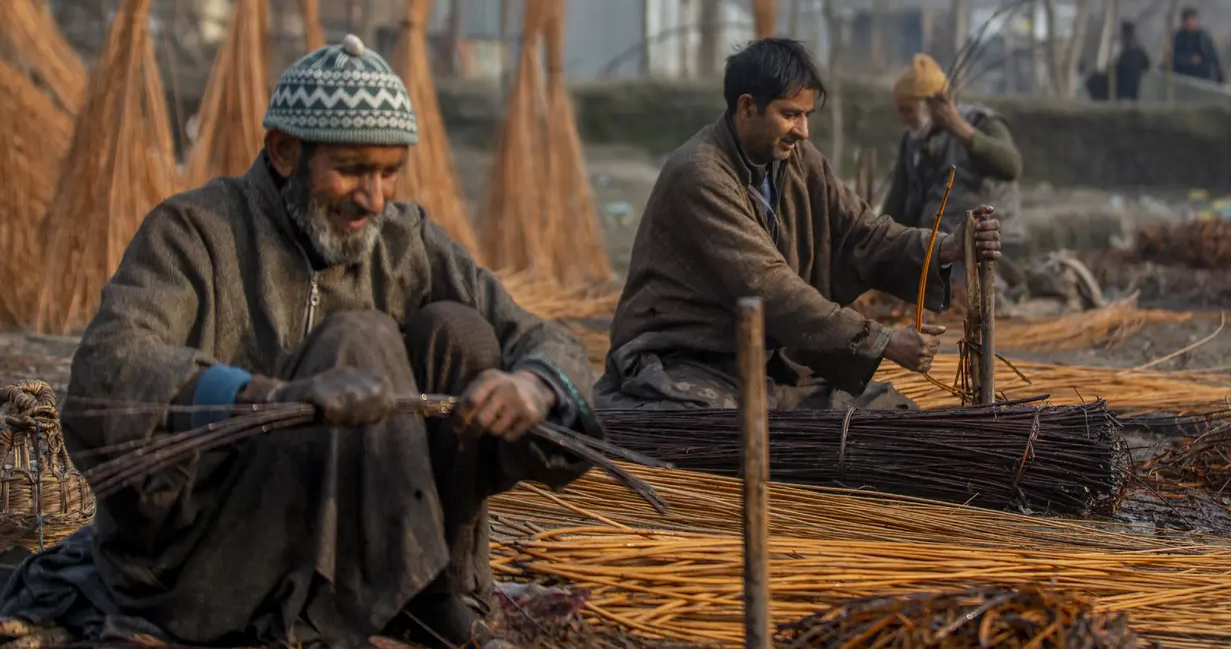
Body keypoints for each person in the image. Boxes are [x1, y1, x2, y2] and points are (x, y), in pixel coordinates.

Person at [0, 36, 601, 648]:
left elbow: (539, 334)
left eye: (390, 173)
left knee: (462, 334)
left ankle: (432, 594)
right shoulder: (194, 232)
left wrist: (533, 383)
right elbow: (112, 364)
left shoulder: (404, 241)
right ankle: (335, 606)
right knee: (360, 338)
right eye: (352, 170)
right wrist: (268, 397)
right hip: (218, 548)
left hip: (369, 540)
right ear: (286, 152)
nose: (374, 198)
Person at [595, 38, 1002, 413]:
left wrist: (945, 246)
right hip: (689, 357)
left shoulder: (799, 160)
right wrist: (882, 341)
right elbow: (768, 286)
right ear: (747, 107)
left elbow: (862, 234)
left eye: (806, 116)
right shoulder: (701, 175)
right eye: (790, 115)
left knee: (890, 419)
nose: (803, 131)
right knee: (722, 433)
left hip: (773, 360)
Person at [881, 53, 1026, 291]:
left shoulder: (983, 124)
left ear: (933, 106)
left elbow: (1011, 167)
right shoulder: (913, 141)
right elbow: (896, 205)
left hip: (990, 249)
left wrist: (959, 128)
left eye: (908, 111)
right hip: (938, 249)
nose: (903, 120)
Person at [1171, 7, 1224, 83]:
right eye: (1187, 20)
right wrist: (1189, 59)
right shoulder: (1179, 37)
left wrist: (1220, 78)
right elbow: (1174, 57)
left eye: (1192, 20)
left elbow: (1213, 58)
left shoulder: (1203, 37)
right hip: (1181, 76)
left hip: (1202, 78)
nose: (1190, 23)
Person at [1114, 21, 1150, 100]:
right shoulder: (1140, 50)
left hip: (1120, 90)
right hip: (1134, 91)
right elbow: (1147, 66)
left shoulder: (1122, 50)